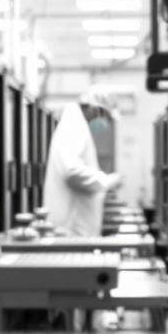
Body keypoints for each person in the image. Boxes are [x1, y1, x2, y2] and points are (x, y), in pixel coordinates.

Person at [42, 85, 122, 237]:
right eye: (106, 117)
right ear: (96, 109)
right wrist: (107, 181)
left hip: (75, 227)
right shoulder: (73, 124)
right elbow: (72, 173)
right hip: (71, 229)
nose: (106, 123)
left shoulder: (77, 124)